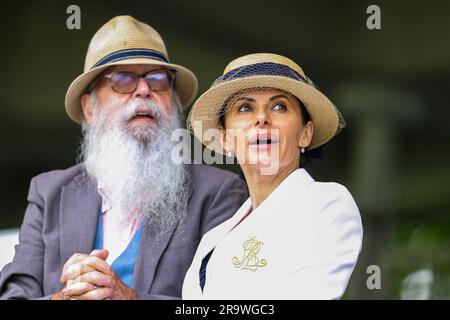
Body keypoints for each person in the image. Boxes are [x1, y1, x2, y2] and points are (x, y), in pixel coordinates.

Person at [0, 15, 248, 300]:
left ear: (174, 103)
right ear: (89, 108)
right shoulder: (49, 192)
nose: (143, 91)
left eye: (157, 79)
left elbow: (226, 301)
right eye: (122, 79)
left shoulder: (219, 192)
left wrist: (128, 298)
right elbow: (13, 295)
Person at [183, 53, 363, 299]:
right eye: (245, 108)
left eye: (279, 106)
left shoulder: (326, 203)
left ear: (305, 133)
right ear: (225, 139)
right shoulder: (213, 238)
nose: (261, 118)